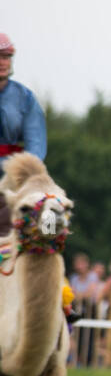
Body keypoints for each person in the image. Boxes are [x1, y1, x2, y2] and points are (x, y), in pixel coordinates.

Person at [0, 33, 48, 234]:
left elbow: (35, 145)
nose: (3, 62)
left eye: (6, 56)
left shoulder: (25, 98)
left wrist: (19, 173)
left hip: (12, 181)